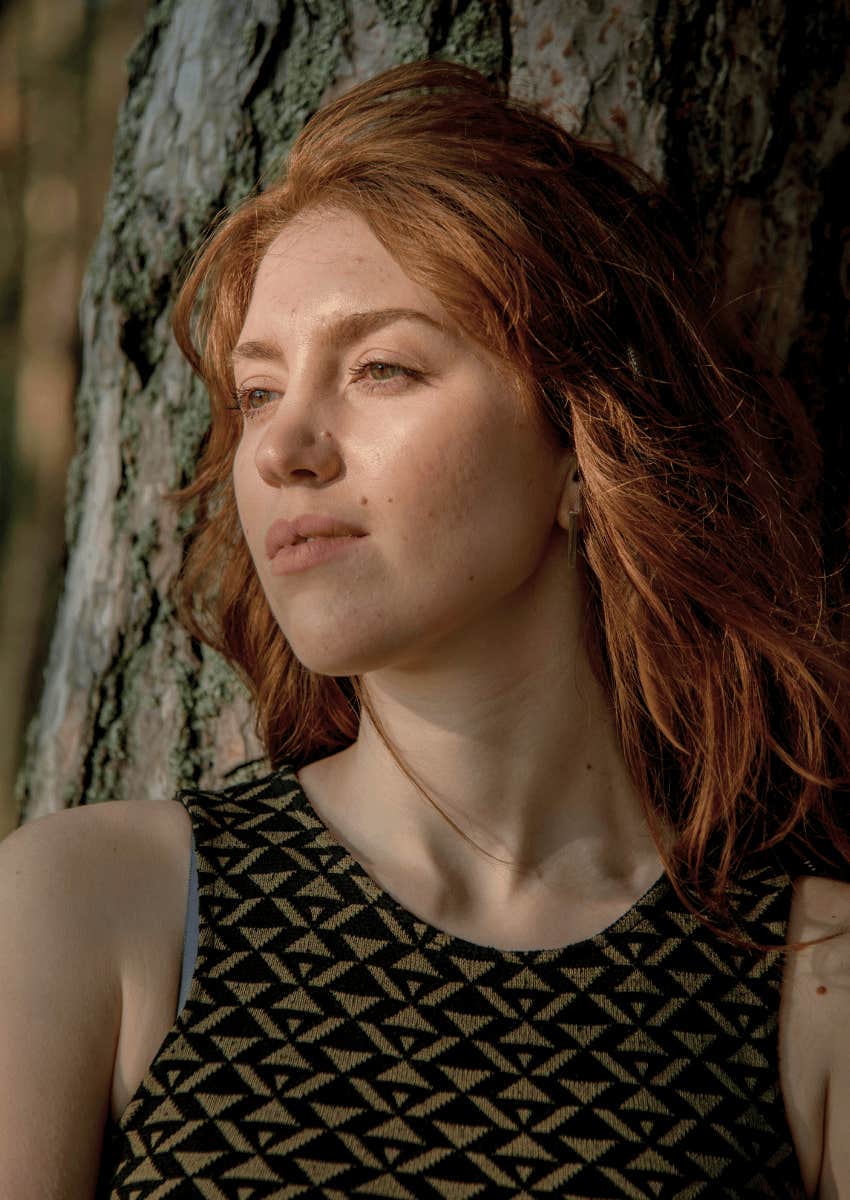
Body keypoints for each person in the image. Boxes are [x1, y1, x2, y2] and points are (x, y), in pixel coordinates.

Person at [1, 57, 848, 1199]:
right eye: (256, 392)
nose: (280, 447)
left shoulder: (814, 981)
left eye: (380, 367)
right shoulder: (93, 909)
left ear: (582, 446)